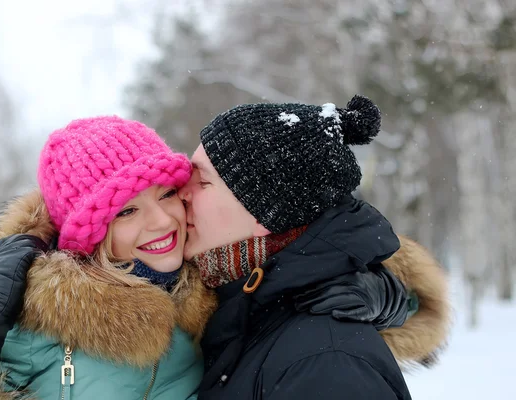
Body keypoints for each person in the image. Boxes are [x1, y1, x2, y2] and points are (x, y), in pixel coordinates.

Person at [0, 112, 415, 399]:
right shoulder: (34, 323)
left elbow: (299, 270)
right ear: (90, 233)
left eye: (170, 192)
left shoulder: (218, 292)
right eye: (127, 210)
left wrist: (393, 294)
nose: (163, 221)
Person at [178, 95, 450, 399]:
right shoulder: (227, 305)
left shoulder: (326, 363)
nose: (181, 194)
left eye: (202, 182)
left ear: (266, 212)